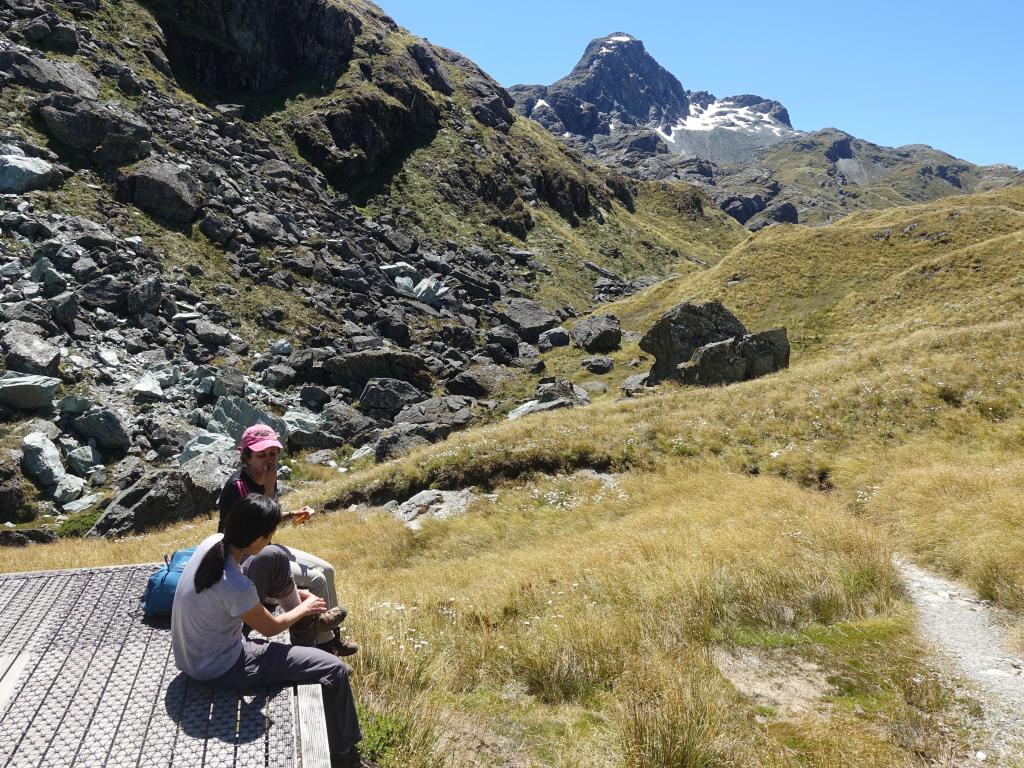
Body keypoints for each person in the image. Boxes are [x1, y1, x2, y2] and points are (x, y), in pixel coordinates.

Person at [171, 494, 362, 767]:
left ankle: (306, 625)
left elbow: (239, 592)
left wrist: (295, 593)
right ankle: (345, 755)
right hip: (221, 666)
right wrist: (304, 608)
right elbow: (271, 628)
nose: (271, 540)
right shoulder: (236, 585)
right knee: (334, 670)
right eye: (270, 535)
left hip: (190, 655)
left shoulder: (213, 543)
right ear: (256, 538)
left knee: (273, 557)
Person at [218, 423, 357, 656]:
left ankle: (330, 636)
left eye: (273, 453)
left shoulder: (267, 478)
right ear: (247, 456)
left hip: (264, 547)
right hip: (245, 557)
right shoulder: (238, 487)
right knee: (316, 578)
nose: (269, 460)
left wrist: (292, 514)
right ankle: (321, 644)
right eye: (261, 455)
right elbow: (255, 527)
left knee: (327, 569)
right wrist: (270, 488)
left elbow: (268, 518)